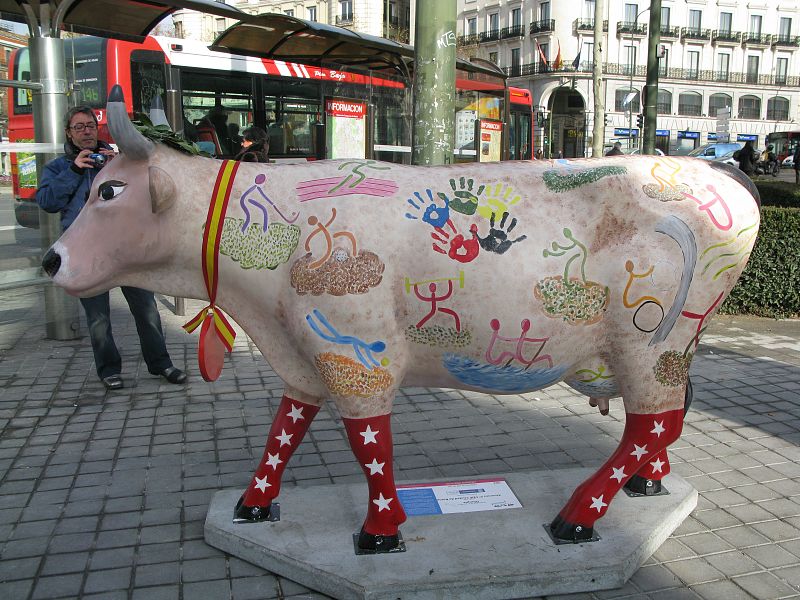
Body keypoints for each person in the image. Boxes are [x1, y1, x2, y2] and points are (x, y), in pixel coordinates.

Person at [35, 106, 187, 391]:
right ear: (68, 133)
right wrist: (73, 170)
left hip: (126, 251)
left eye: (90, 125)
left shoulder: (119, 161)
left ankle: (161, 364)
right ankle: (109, 370)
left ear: (98, 128)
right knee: (98, 317)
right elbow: (47, 202)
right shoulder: (57, 167)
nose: (86, 131)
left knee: (147, 309)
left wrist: (116, 166)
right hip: (87, 254)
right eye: (78, 127)